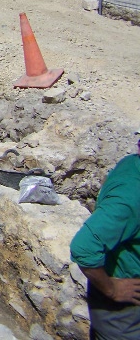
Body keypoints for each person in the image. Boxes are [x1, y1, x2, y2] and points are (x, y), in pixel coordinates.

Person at [70, 130, 140, 339]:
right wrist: (112, 289)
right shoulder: (130, 197)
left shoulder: (131, 163)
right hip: (126, 315)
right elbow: (84, 247)